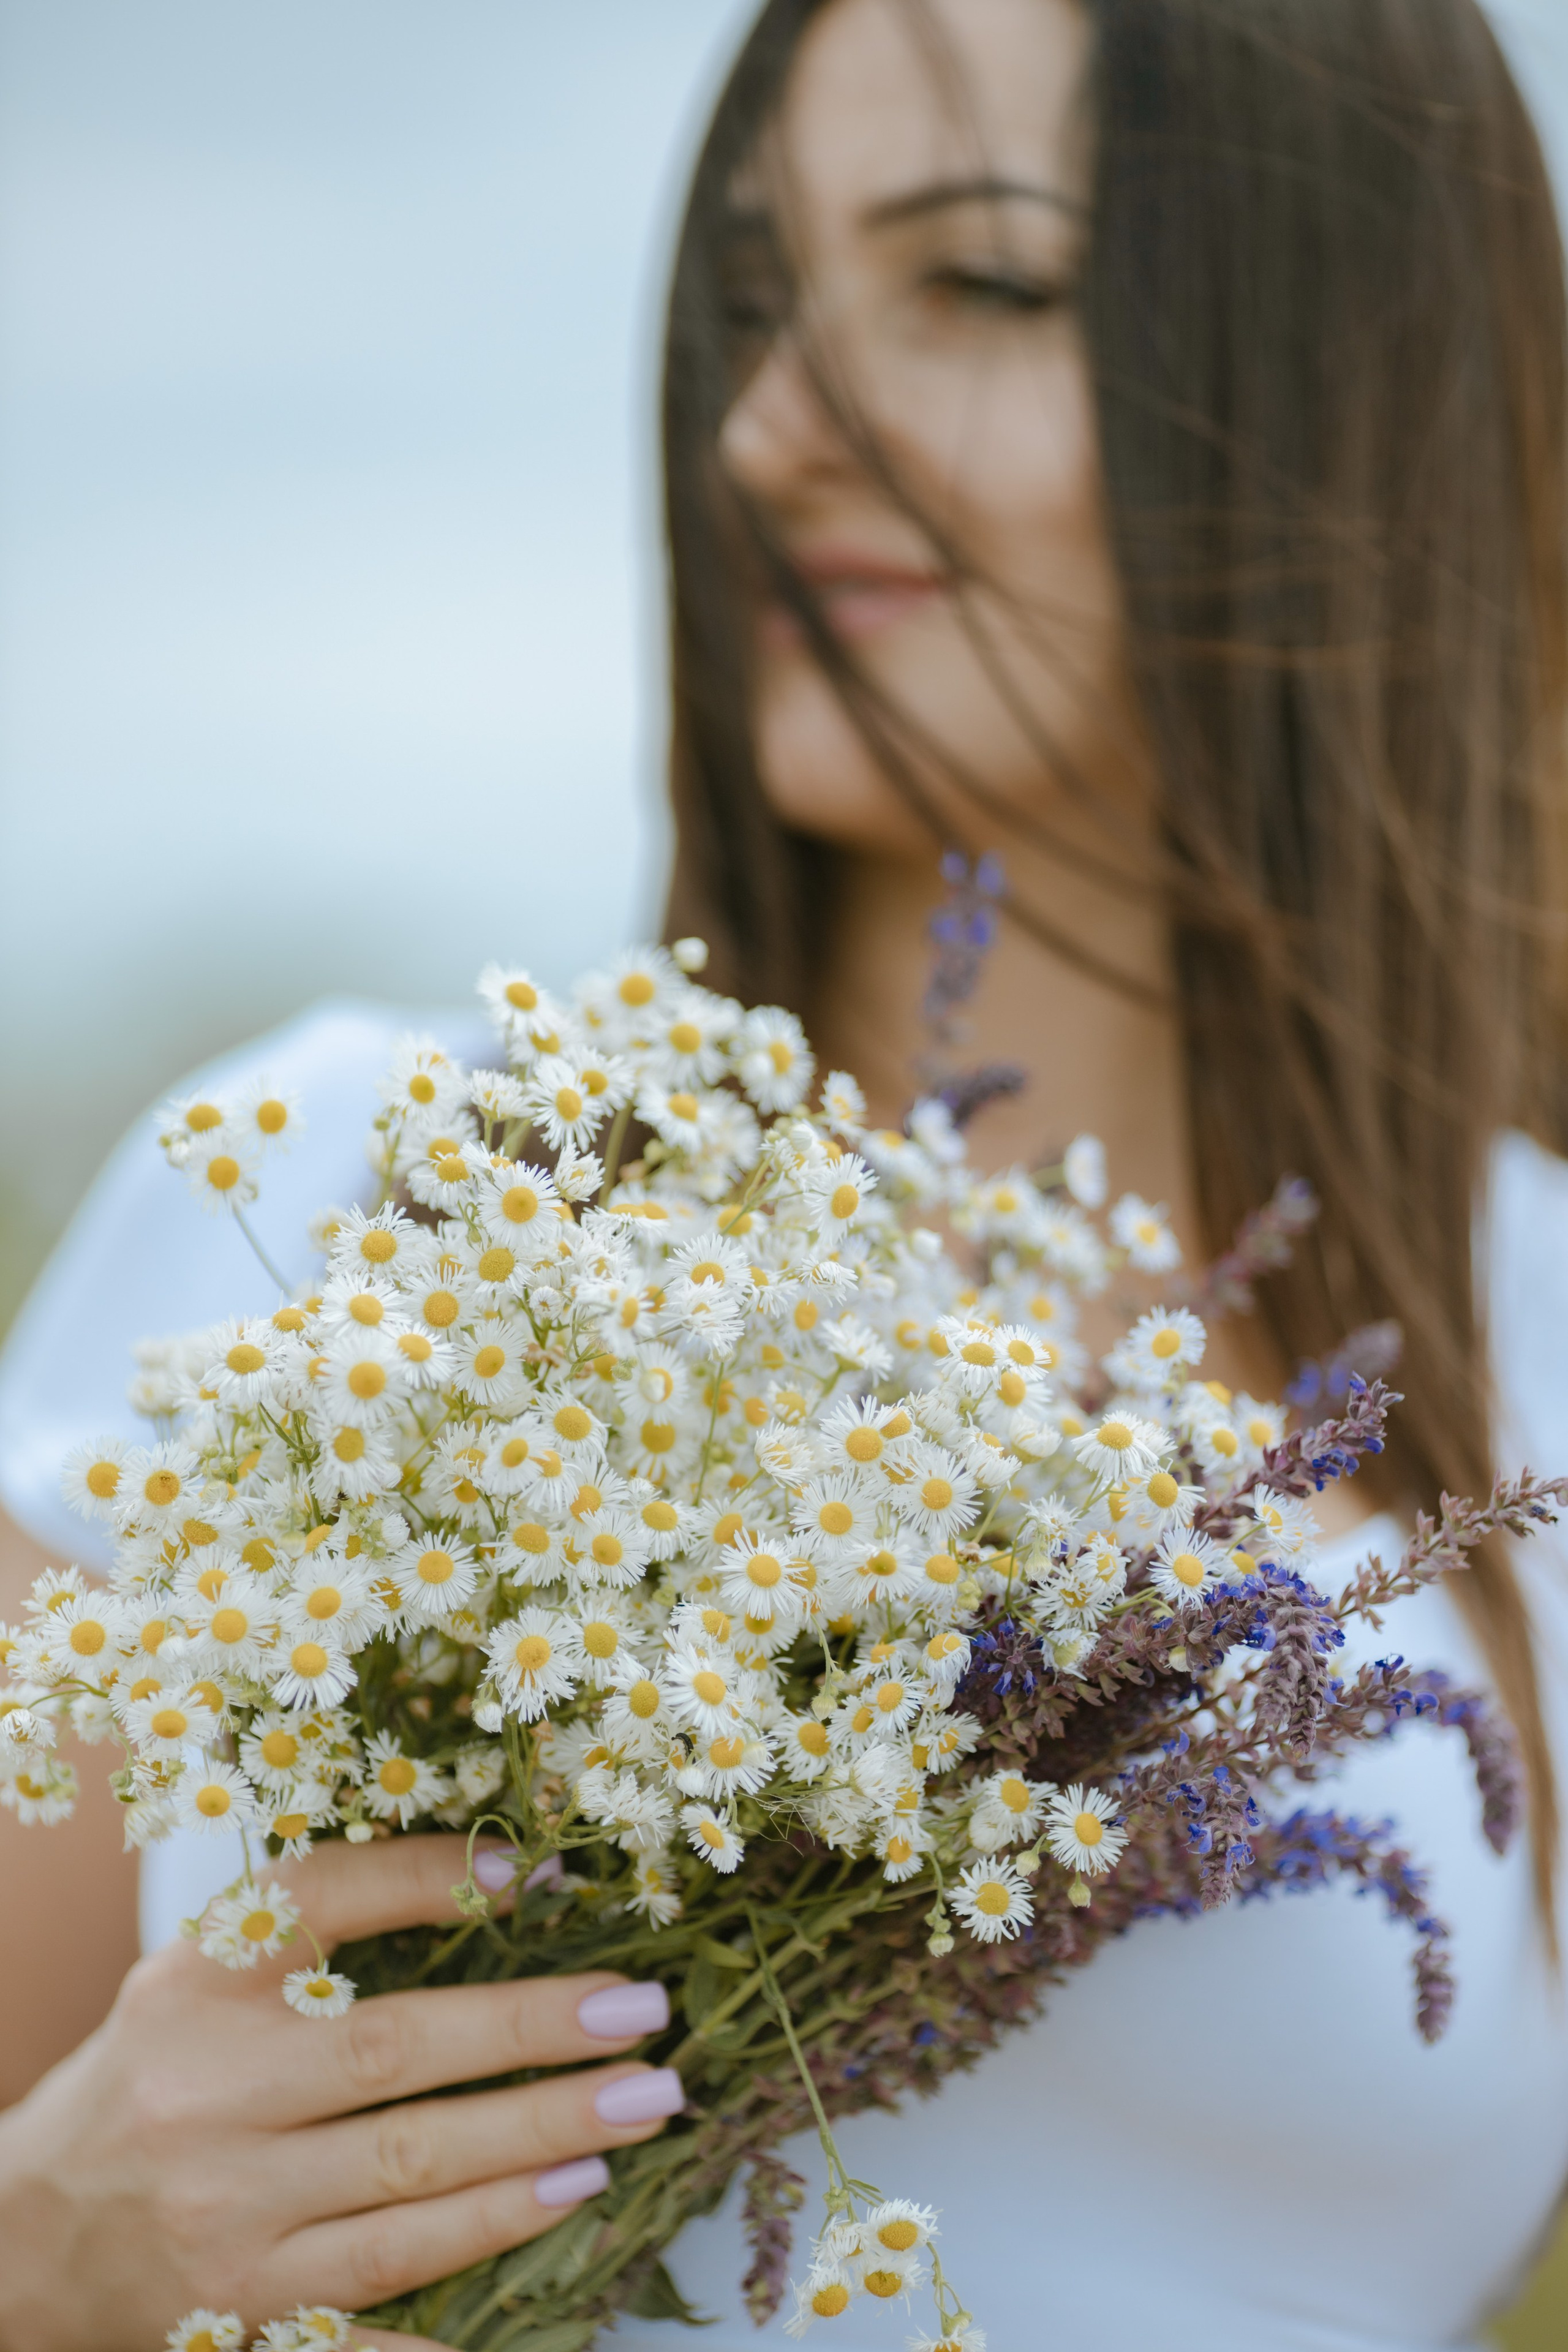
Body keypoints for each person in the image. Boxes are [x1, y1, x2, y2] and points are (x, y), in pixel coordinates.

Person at [4, 0, 1568, 2345]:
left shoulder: (1540, 1348)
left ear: (1351, 389)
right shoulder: (351, 1194)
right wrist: (58, 2246)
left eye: (982, 286)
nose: (765, 434)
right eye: (757, 305)